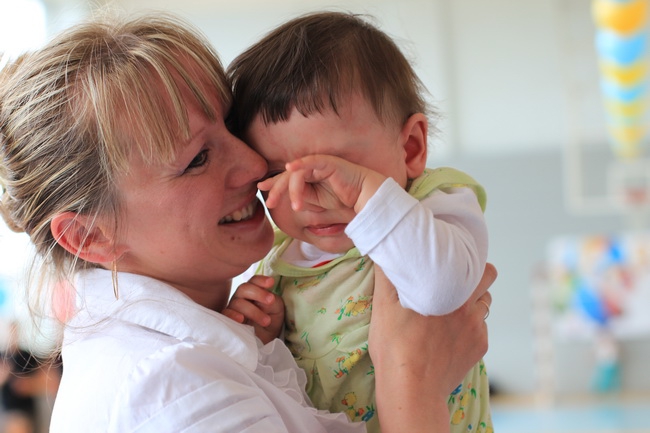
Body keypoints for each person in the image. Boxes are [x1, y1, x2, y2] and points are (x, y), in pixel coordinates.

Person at [0, 11, 495, 433]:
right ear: (90, 236)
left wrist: (270, 341)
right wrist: (414, 384)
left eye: (231, 127)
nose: (257, 167)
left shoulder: (231, 329)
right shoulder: (171, 394)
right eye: (198, 158)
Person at [225, 11, 492, 433]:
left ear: (410, 148)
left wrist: (367, 196)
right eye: (277, 176)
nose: (307, 199)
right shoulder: (279, 259)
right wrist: (262, 338)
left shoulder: (433, 204)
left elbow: (440, 293)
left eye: (337, 170)